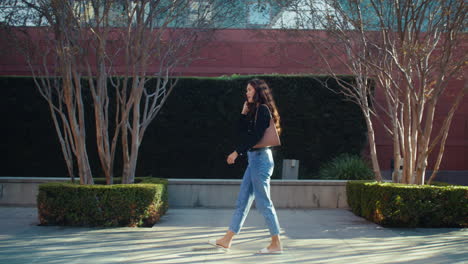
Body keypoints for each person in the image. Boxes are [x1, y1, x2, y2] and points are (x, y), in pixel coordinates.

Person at [208, 78, 283, 254]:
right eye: (247, 90)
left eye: (249, 90)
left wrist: (236, 153)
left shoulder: (263, 110)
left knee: (264, 203)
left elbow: (255, 137)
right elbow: (242, 133)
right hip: (254, 160)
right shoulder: (255, 110)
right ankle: (227, 240)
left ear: (257, 92)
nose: (247, 93)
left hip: (261, 160)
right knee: (242, 201)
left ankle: (276, 243)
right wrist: (243, 113)